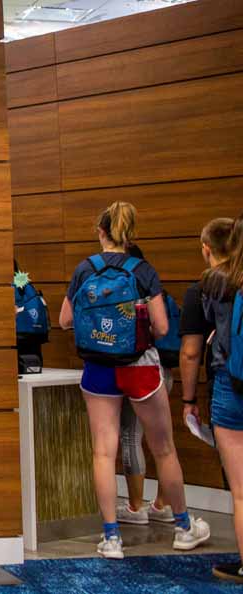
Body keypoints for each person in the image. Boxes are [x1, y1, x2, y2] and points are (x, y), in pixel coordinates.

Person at [58, 201, 209, 559]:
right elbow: (162, 327)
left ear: (101, 232)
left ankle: (111, 538)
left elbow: (64, 319)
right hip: (139, 367)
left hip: (97, 369)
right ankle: (184, 526)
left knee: (103, 451)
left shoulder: (84, 269)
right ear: (131, 234)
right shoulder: (143, 271)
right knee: (163, 448)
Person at [181, 217, 243, 581]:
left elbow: (190, 353)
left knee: (240, 491)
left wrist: (189, 400)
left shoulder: (206, 288)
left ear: (208, 249)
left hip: (230, 389)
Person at [116, 244, 172, 526]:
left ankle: (136, 507)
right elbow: (165, 329)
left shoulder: (125, 288)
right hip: (165, 368)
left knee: (130, 436)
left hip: (140, 367)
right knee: (164, 443)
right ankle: (163, 504)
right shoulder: (157, 287)